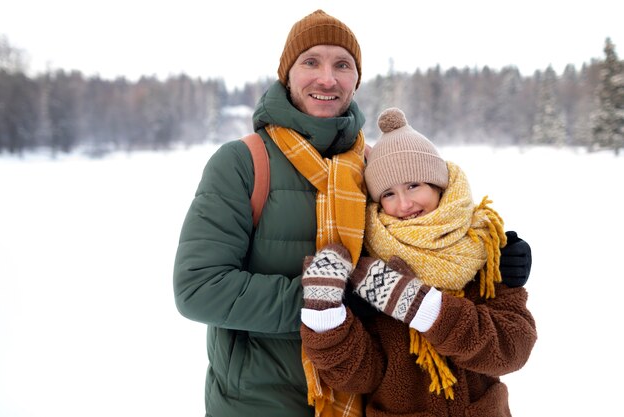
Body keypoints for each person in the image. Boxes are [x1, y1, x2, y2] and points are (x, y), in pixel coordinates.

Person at [173, 9, 532, 417]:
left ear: (356, 80)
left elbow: (431, 236)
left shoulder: (373, 166)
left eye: (342, 64)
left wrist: (494, 259)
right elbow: (197, 289)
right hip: (261, 400)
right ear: (286, 74)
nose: (327, 78)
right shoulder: (242, 162)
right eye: (311, 61)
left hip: (365, 400)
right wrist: (326, 303)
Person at [299, 108, 537, 417]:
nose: (404, 204)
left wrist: (423, 308)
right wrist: (325, 316)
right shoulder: (373, 274)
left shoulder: (484, 251)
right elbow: (358, 375)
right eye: (388, 193)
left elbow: (513, 350)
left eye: (414, 186)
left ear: (437, 184)